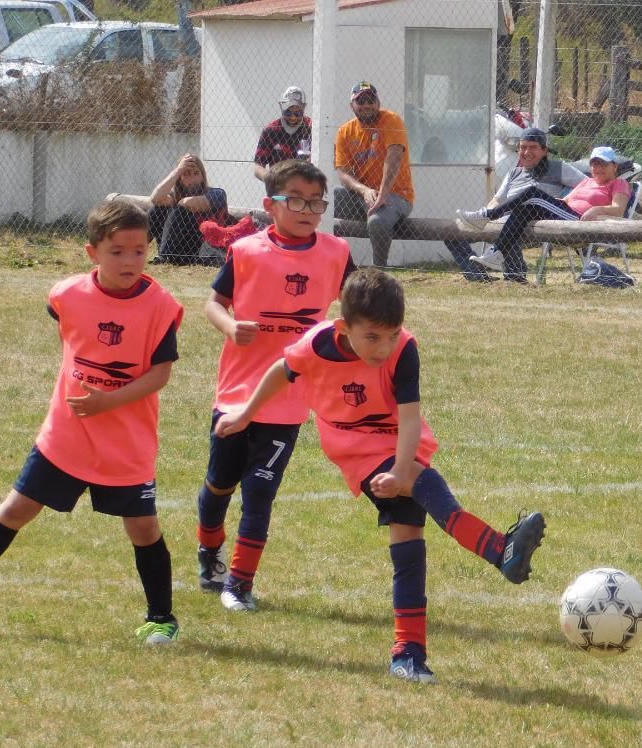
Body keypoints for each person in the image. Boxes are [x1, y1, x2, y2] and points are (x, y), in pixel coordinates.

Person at [214, 269, 547, 684]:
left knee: (410, 540)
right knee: (419, 500)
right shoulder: (317, 344)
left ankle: (410, 654)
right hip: (351, 445)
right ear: (343, 327)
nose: (383, 347)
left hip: (400, 442)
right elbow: (281, 372)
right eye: (372, 337)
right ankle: (497, 552)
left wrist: (401, 469)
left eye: (391, 335)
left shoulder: (404, 350)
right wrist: (245, 414)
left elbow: (409, 419)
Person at [0, 199, 184, 646]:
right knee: (17, 508)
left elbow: (160, 373)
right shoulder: (66, 295)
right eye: (117, 251)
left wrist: (109, 401)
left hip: (126, 442)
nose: (129, 260)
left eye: (139, 251)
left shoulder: (160, 306)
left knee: (143, 527)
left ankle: (161, 618)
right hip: (66, 433)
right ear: (92, 253)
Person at [198, 159, 354, 613]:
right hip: (237, 393)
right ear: (270, 205)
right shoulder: (245, 251)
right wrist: (230, 327)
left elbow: (358, 306)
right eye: (297, 201)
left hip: (290, 398)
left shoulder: (336, 252)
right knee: (219, 486)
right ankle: (209, 553)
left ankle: (240, 585)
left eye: (317, 202)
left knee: (260, 493)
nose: (308, 210)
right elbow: (213, 304)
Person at [461, 144, 631, 281]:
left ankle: (488, 215)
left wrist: (596, 209)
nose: (597, 168)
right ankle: (496, 254)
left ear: (614, 166)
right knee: (525, 208)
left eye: (603, 163)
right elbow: (565, 201)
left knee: (532, 192)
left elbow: (619, 209)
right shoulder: (587, 182)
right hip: (566, 213)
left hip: (579, 220)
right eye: (594, 163)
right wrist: (548, 204)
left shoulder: (619, 184)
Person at [447, 126, 583, 282]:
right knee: (450, 232)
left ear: (545, 150)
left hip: (538, 220)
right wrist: (488, 215)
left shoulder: (558, 168)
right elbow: (497, 200)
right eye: (522, 147)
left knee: (528, 197)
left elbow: (588, 185)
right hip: (508, 220)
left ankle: (514, 274)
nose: (526, 152)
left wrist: (567, 198)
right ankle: (478, 276)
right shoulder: (514, 173)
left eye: (533, 147)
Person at [333, 81, 415, 268]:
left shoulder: (391, 120)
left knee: (377, 222)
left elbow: (394, 157)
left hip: (396, 196)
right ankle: (337, 267)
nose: (366, 105)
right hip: (364, 197)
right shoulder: (344, 132)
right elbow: (343, 173)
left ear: (378, 102)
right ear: (351, 105)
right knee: (322, 203)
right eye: (360, 101)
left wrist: (382, 194)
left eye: (371, 100)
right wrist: (364, 190)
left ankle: (378, 273)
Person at [148, 153, 228, 266]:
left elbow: (187, 204)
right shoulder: (175, 195)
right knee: (157, 209)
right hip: (176, 246)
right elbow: (155, 198)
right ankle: (135, 247)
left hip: (198, 247)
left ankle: (164, 257)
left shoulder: (218, 194)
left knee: (178, 209)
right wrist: (178, 170)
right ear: (179, 178)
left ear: (203, 176)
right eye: (186, 174)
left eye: (196, 173)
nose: (192, 179)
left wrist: (177, 204)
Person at [253, 87, 313, 183]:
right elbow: (258, 166)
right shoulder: (271, 130)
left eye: (297, 113)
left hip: (305, 184)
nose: (292, 117)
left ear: (303, 109)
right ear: (282, 107)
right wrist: (272, 179)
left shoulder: (312, 128)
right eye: (288, 112)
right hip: (279, 185)